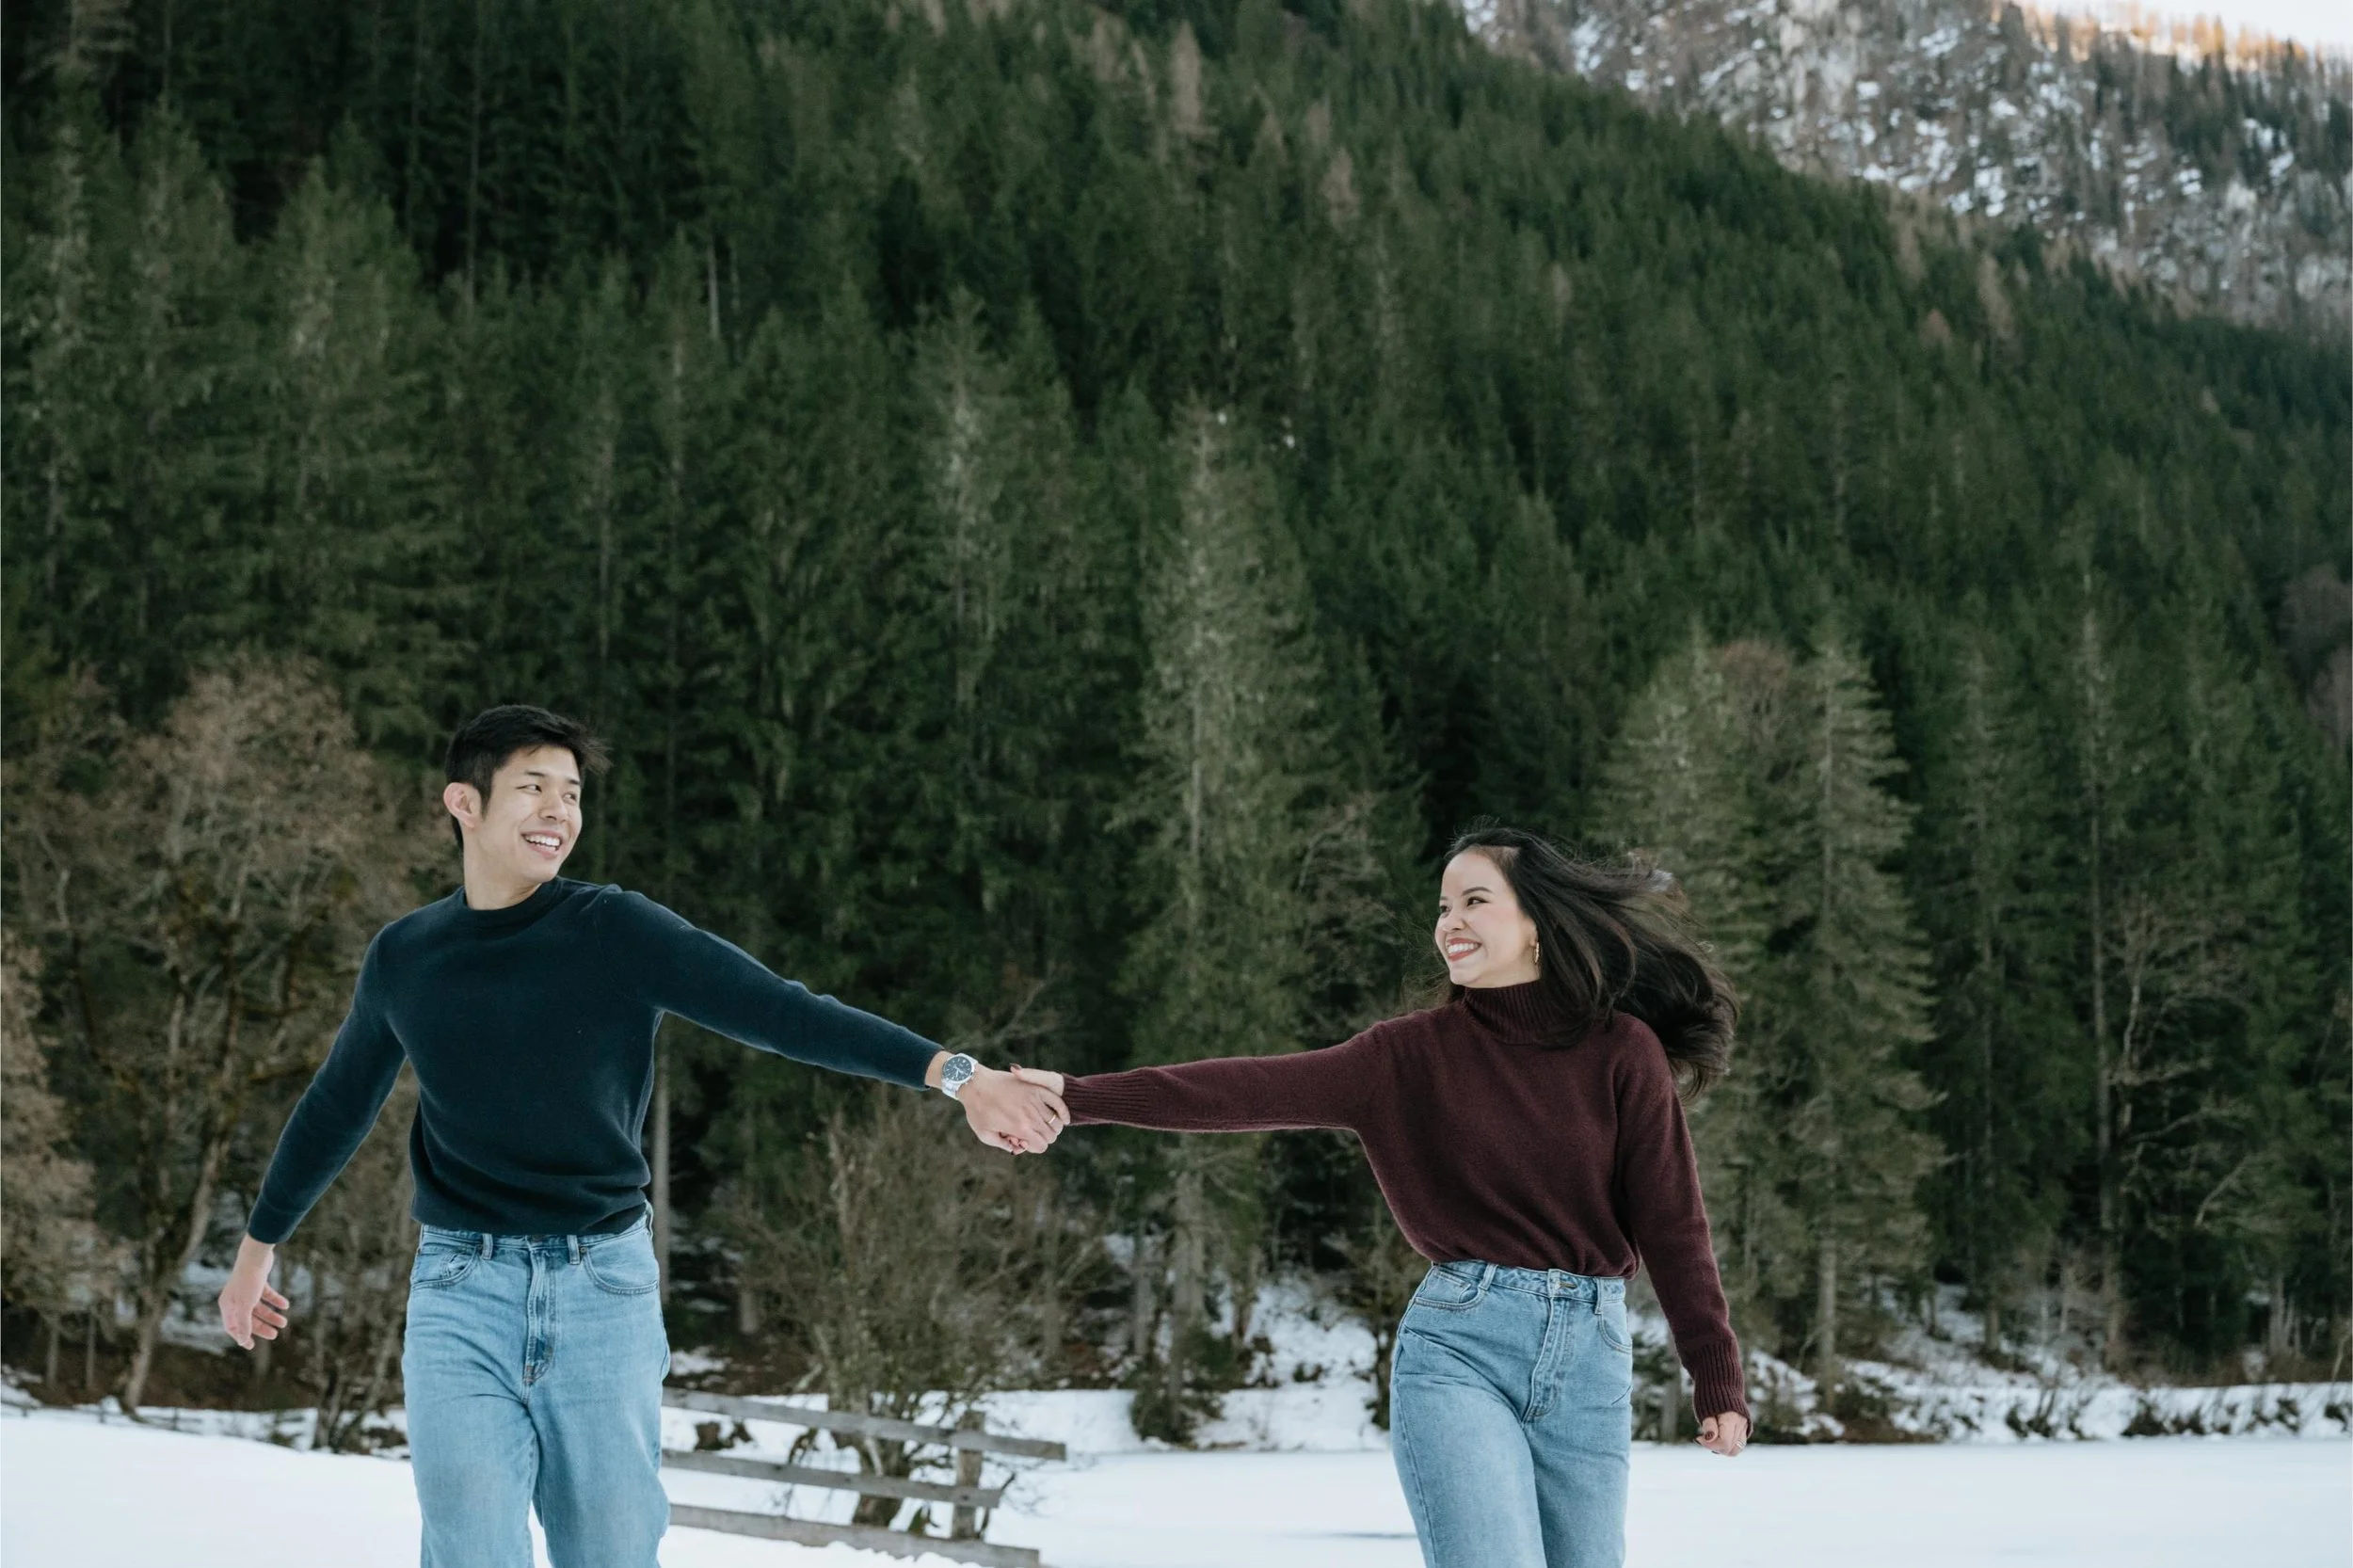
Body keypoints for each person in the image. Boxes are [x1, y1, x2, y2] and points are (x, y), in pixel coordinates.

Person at [215, 704, 1068, 1568]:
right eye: (533, 789)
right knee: (469, 1544)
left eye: (573, 795)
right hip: (459, 1289)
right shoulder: (406, 957)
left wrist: (959, 1076)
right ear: (463, 804)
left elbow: (781, 1011)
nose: (559, 813)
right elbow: (336, 1105)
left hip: (601, 1291)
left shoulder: (614, 931)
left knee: (612, 1553)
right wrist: (258, 1247)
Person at [1011, 824, 1750, 1568]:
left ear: (1537, 923)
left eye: (1474, 901)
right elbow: (1242, 1088)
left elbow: (1672, 1220)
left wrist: (1713, 1368)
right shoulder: (1402, 1058)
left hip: (1592, 1361)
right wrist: (1078, 1096)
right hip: (1464, 1350)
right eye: (1442, 907)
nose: (1449, 922)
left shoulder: (1622, 1050)